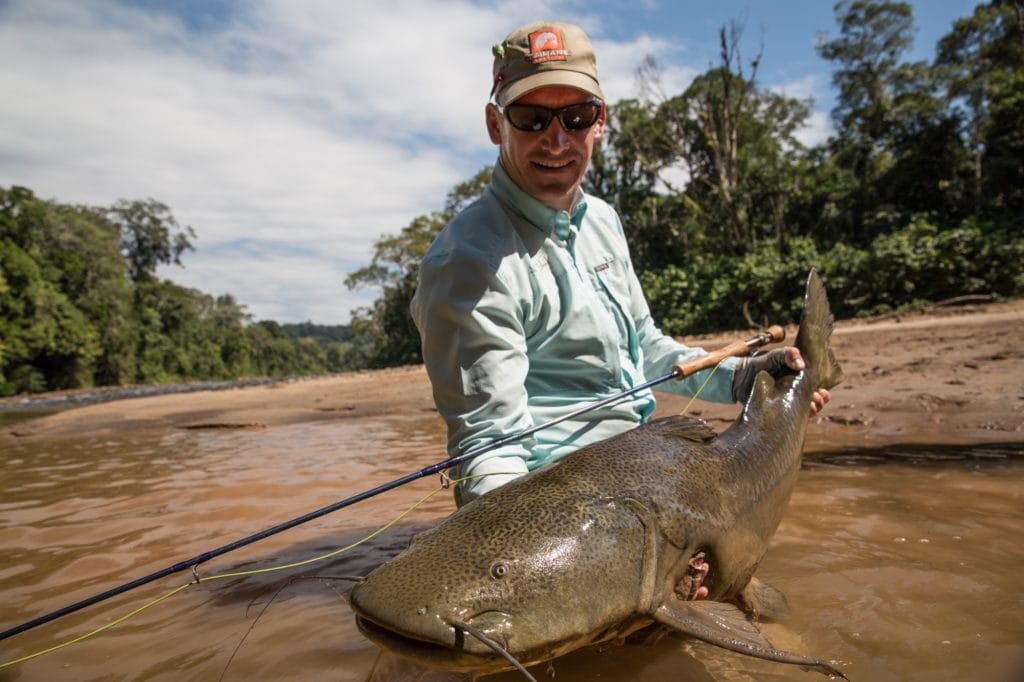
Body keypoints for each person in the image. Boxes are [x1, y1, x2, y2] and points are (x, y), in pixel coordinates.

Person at [411, 20, 829, 509]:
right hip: (561, 497)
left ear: (600, 121)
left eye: (576, 116)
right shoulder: (466, 261)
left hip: (646, 461)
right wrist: (505, 544)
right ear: (494, 123)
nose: (557, 140)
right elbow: (490, 447)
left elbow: (645, 348)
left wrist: (746, 376)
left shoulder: (604, 220)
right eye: (530, 117)